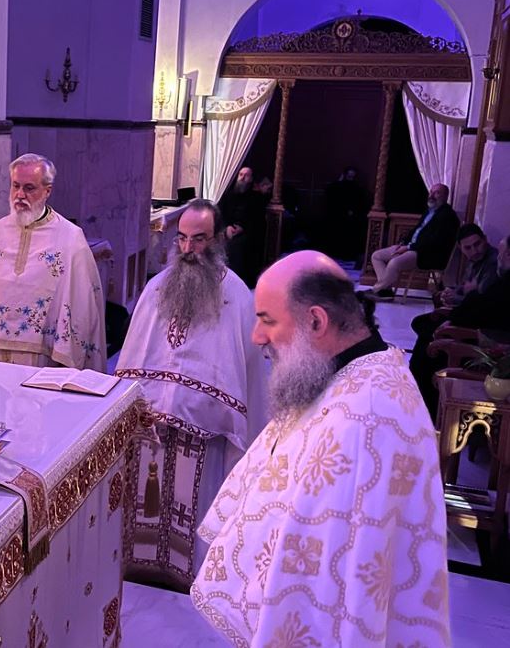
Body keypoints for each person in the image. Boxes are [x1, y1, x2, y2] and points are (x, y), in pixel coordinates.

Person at [192, 250, 449, 647]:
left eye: (267, 320)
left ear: (316, 321)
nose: (257, 337)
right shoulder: (346, 371)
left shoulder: (365, 419)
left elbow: (328, 585)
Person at [115, 199, 267, 591]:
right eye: (181, 238)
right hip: (151, 425)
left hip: (204, 433)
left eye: (198, 240)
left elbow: (244, 370)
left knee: (193, 507)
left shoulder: (236, 296)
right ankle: (140, 568)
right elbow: (137, 351)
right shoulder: (157, 287)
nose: (187, 249)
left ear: (217, 240)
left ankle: (193, 577)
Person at [0, 153, 106, 370]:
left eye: (29, 188)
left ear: (47, 191)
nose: (20, 195)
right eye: (16, 186)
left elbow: (82, 301)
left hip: (42, 355)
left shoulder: (70, 238)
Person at [410, 234, 510, 414]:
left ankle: (423, 407)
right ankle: (416, 398)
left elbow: (483, 307)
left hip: (488, 346)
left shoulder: (502, 277)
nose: (499, 258)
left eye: (502, 254)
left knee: (430, 345)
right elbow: (478, 301)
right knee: (425, 328)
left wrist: (455, 315)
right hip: (478, 327)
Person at [368, 183, 459, 299]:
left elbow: (433, 241)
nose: (431, 195)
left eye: (437, 193)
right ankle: (385, 290)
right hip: (411, 248)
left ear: (445, 197)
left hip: (427, 254)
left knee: (394, 263)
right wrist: (403, 244)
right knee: (377, 256)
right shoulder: (429, 211)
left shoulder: (448, 216)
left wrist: (408, 248)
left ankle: (376, 290)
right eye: (431, 192)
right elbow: (416, 231)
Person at [219, 166, 266, 286]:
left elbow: (258, 220)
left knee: (239, 246)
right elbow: (222, 214)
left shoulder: (256, 198)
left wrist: (243, 228)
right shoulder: (228, 195)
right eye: (241, 175)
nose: (242, 178)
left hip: (247, 232)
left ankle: (238, 282)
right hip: (228, 230)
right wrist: (227, 227)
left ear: (251, 179)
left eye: (246, 175)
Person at [324, 165, 368, 261]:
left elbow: (360, 202)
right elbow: (332, 196)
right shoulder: (338, 186)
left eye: (352, 177)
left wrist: (353, 211)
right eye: (349, 176)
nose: (350, 179)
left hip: (351, 217)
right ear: (345, 175)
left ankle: (347, 255)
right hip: (338, 216)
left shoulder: (357, 188)